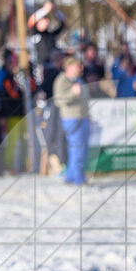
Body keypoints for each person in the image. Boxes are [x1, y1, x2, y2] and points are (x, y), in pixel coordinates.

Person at [52, 57, 89, 185]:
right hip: (71, 119)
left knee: (81, 149)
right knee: (77, 149)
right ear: (68, 67)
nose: (80, 69)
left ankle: (71, 177)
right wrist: (72, 93)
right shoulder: (61, 80)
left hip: (83, 117)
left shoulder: (79, 80)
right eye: (77, 66)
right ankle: (79, 180)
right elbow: (58, 100)